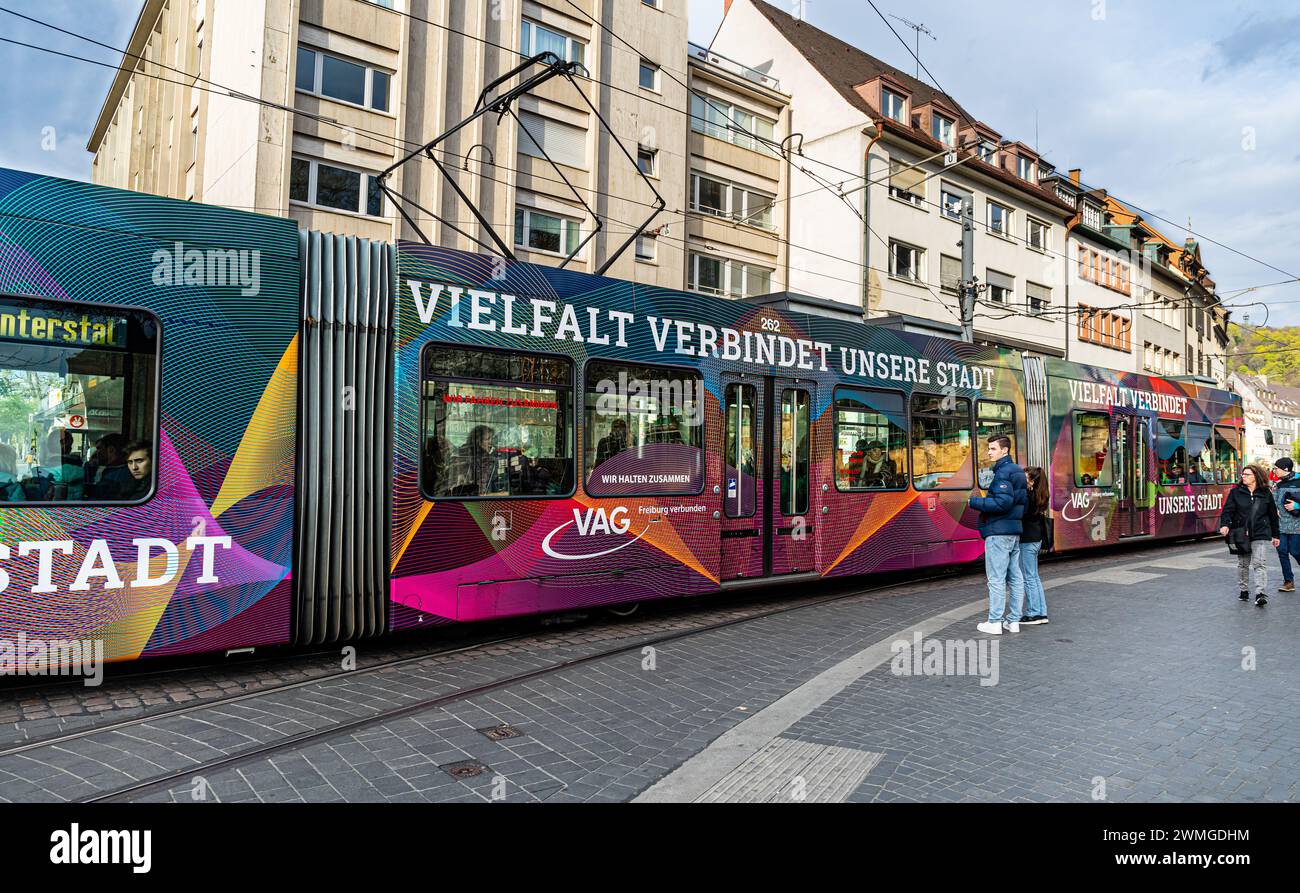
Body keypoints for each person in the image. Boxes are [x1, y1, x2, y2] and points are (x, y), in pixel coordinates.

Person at [970, 435, 1028, 635]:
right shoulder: (1018, 472)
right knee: (1015, 577)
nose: (989, 452)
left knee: (996, 578)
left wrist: (975, 502)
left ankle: (994, 621)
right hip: (1013, 531)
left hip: (998, 532)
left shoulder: (1003, 473)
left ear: (1005, 450)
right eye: (989, 448)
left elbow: (1002, 503)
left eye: (993, 448)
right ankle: (1013, 621)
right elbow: (1022, 504)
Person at [1218, 464, 1280, 607]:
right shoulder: (1236, 492)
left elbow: (1272, 515)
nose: (1243, 477)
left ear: (1255, 476)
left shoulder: (1265, 493)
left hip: (1261, 533)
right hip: (1241, 534)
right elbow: (1227, 511)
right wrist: (1225, 524)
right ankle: (1244, 590)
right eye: (1243, 475)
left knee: (1260, 563)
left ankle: (1260, 594)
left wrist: (1276, 535)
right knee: (1244, 564)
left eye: (1247, 475)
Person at [1018, 466, 1052, 626]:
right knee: (1034, 577)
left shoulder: (1028, 496)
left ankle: (1033, 614)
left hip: (1027, 540)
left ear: (1031, 482)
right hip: (1036, 539)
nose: (1021, 481)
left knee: (1029, 578)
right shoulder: (1040, 496)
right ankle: (1041, 612)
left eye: (1024, 479)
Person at [1271, 457, 1300, 593]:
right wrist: (1273, 509)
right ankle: (1288, 581)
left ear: (1285, 469)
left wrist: (1297, 505)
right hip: (1281, 525)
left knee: (1295, 551)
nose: (1274, 470)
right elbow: (1273, 501)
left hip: (1297, 525)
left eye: (1276, 468)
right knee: (1282, 552)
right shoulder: (1277, 484)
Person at [451, 425, 499, 496]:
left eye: (491, 439)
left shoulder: (488, 458)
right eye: (487, 439)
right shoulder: (467, 456)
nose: (490, 442)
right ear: (478, 441)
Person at [86, 433, 134, 499]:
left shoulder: (117, 475)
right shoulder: (115, 470)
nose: (97, 452)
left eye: (99, 448)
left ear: (111, 450)